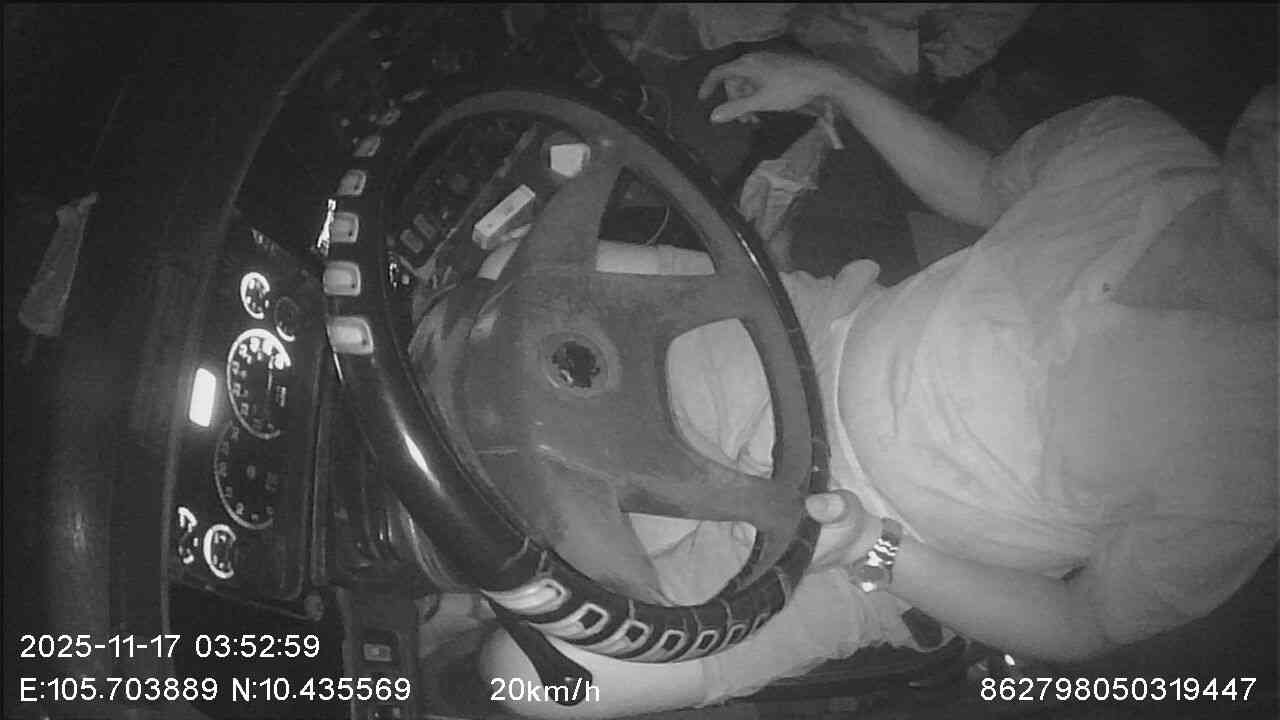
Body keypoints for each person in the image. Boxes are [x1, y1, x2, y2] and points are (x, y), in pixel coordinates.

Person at [461, 52, 1277, 718]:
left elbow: (1085, 622)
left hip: (881, 550)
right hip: (805, 338)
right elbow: (988, 187)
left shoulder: (1258, 454)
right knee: (507, 281)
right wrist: (837, 85)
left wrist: (873, 549)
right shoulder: (1135, 141)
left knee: (532, 680)